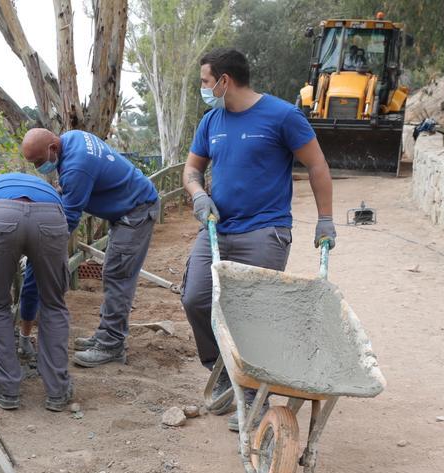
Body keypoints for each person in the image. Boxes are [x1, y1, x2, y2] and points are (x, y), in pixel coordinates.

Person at [179, 48, 336, 431]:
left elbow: (316, 165)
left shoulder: (282, 116)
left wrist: (326, 219)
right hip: (218, 227)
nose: (204, 88)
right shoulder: (211, 121)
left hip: (265, 231)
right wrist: (198, 193)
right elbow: (191, 169)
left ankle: (252, 394)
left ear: (224, 81)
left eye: (204, 81)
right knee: (196, 298)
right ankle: (224, 372)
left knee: (251, 314)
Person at [20, 127, 160, 368]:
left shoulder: (76, 167)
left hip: (135, 212)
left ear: (53, 148)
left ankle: (111, 344)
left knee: (118, 276)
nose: (37, 168)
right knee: (113, 273)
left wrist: (39, 249)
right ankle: (106, 335)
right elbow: (78, 185)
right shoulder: (72, 137)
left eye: (39, 162)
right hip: (130, 205)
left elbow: (69, 220)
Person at [0, 172, 72, 411]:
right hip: (51, 215)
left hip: (1, 216)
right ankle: (58, 391)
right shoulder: (46, 188)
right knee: (54, 304)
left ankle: (7, 390)